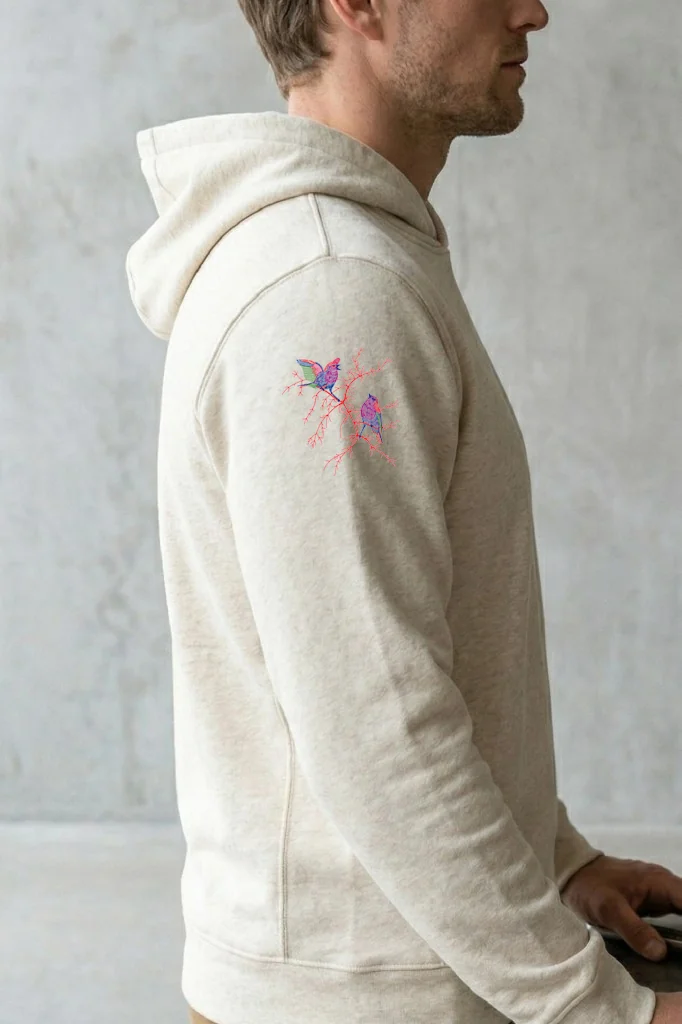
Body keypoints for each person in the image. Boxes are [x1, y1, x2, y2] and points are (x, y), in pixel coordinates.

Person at [125, 1, 682, 1022]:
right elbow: (377, 726)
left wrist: (554, 860)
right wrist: (601, 1008)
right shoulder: (329, 290)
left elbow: (395, 659)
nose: (533, 10)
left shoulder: (353, 257)